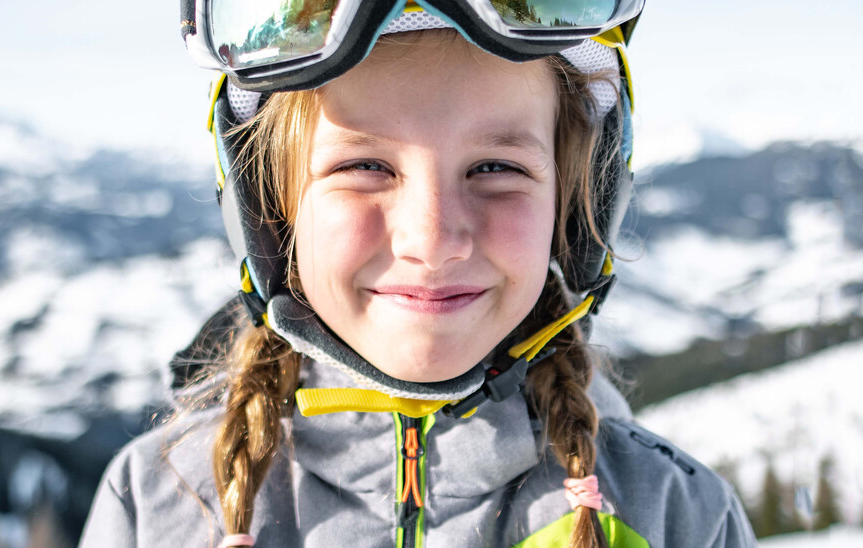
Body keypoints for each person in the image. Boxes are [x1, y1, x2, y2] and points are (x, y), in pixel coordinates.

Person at [81, 1, 754, 546]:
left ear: (576, 204)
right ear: (272, 209)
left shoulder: (675, 517)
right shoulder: (158, 508)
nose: (432, 241)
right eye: (365, 168)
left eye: (495, 168)